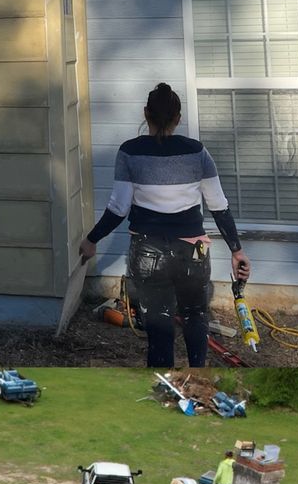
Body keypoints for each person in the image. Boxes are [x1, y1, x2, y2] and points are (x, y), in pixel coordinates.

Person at [79, 82, 251, 368]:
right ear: (178, 119)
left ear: (146, 113)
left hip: (147, 253)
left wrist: (92, 239)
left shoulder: (129, 153)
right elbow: (218, 205)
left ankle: (163, 383)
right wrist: (236, 250)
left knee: (158, 325)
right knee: (196, 316)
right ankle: (198, 375)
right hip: (194, 251)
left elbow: (118, 209)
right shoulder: (197, 152)